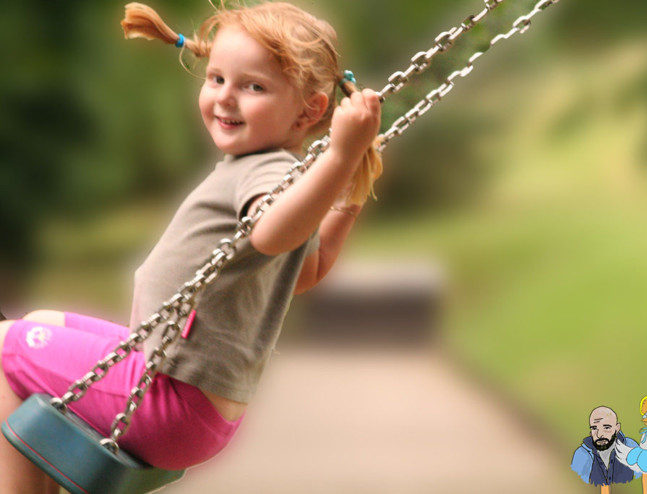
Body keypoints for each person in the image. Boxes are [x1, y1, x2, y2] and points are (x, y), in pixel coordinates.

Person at [0, 2, 382, 492]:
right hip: (191, 402)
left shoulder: (267, 174)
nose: (225, 99)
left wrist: (344, 155)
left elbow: (270, 232)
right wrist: (345, 196)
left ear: (309, 110)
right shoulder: (287, 180)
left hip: (169, 401)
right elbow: (308, 270)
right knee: (40, 324)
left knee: (5, 348)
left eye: (254, 87)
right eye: (217, 79)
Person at [571, 406, 641, 487]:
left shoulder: (631, 447)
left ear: (617, 428)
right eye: (594, 428)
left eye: (606, 427)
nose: (600, 435)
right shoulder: (582, 454)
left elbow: (641, 480)